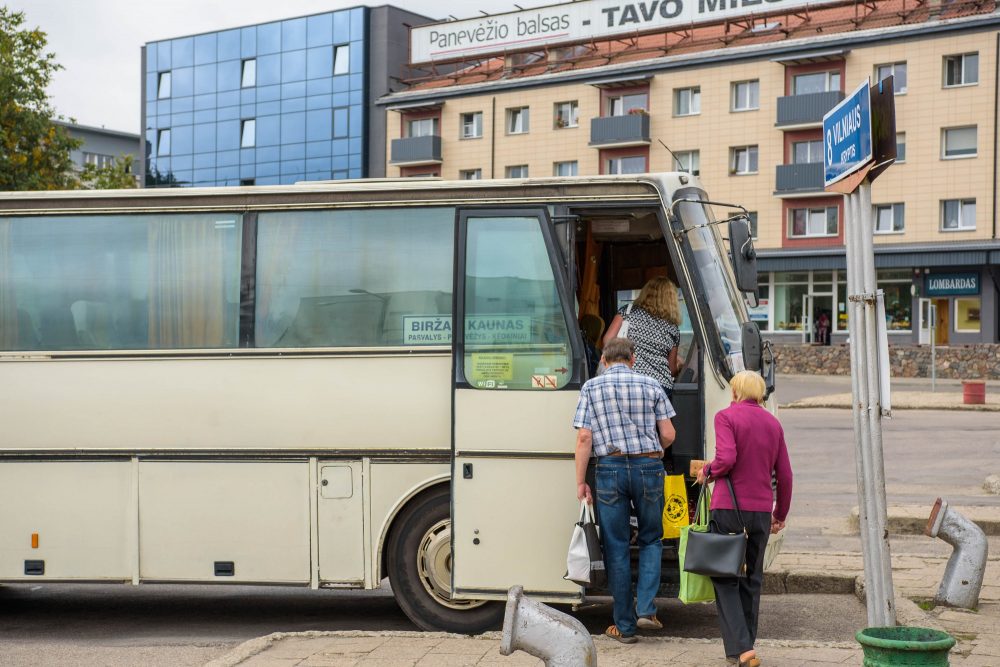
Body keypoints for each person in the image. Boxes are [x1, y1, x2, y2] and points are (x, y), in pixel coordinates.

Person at [573, 337, 676, 643]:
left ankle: (625, 626)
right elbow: (668, 434)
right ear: (633, 359)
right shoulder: (652, 385)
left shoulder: (591, 387)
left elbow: (584, 438)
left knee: (615, 546)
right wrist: (654, 450)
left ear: (604, 360)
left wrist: (581, 481)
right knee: (651, 539)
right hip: (648, 468)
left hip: (610, 469)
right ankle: (646, 608)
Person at [696, 370, 793, 667]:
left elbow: (726, 459)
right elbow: (785, 475)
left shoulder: (726, 417)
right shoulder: (773, 424)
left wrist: (707, 472)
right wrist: (780, 513)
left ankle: (742, 648)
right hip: (761, 511)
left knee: (725, 576)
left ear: (736, 392)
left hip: (729, 510)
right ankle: (744, 646)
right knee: (753, 578)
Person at [602, 277, 682, 397]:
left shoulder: (628, 312)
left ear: (646, 293)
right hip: (659, 387)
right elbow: (671, 370)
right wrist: (680, 365)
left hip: (629, 381)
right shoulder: (673, 328)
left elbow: (607, 340)